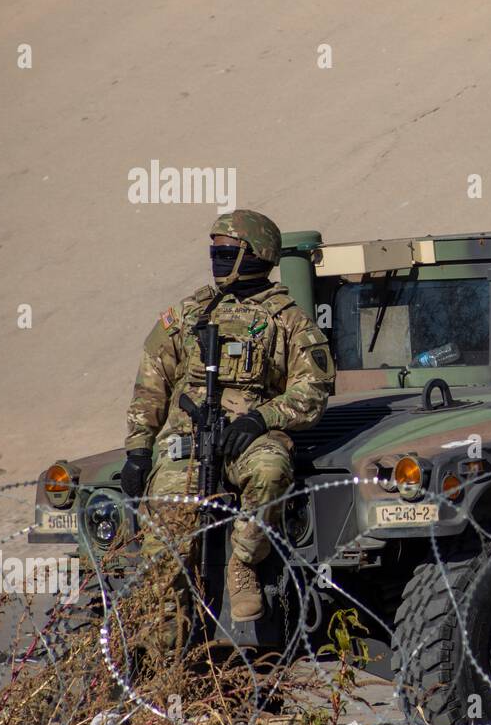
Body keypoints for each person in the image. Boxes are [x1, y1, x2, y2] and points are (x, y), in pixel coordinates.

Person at [119, 210, 334, 622]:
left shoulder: (289, 320)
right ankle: (166, 640)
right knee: (163, 551)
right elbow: (151, 384)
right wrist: (138, 450)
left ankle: (244, 564)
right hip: (185, 445)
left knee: (271, 470)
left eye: (227, 251)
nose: (217, 259)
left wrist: (262, 418)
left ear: (258, 254)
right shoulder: (189, 314)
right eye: (214, 251)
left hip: (248, 439)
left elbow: (313, 390)